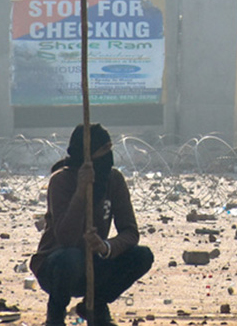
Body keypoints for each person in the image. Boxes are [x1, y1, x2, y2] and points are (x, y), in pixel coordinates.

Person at [31, 124, 154, 326]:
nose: (109, 156)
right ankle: (55, 314)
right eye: (103, 151)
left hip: (95, 262)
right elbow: (66, 237)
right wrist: (81, 191)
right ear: (86, 155)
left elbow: (130, 232)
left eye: (110, 149)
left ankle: (95, 305)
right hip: (56, 266)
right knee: (71, 257)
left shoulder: (113, 180)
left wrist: (106, 247)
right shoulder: (61, 180)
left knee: (142, 256)